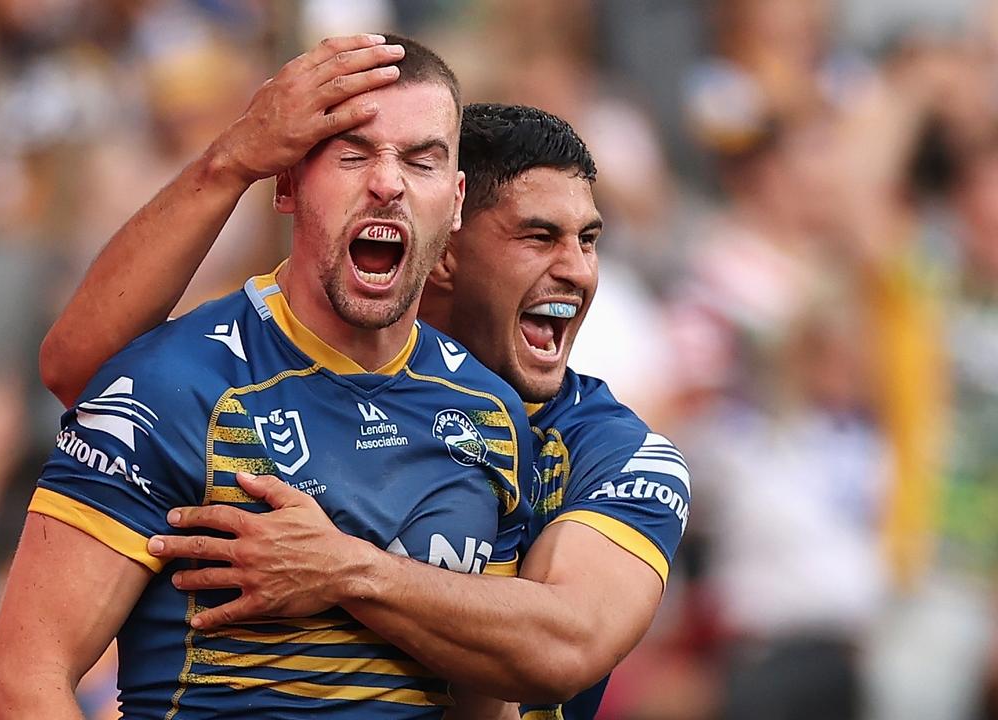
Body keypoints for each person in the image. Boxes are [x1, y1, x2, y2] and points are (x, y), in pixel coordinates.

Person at [37, 45, 691, 717]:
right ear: (449, 245)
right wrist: (232, 161)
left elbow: (563, 650)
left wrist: (344, 569)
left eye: (588, 241)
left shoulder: (613, 450)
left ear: (450, 203)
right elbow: (87, 375)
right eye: (537, 236)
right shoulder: (225, 377)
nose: (577, 272)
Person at [0, 34, 535, 720]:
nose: (387, 182)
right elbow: (21, 681)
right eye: (352, 154)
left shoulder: (491, 416)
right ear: (288, 185)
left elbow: (485, 699)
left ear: (454, 203)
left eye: (421, 161)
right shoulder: (176, 384)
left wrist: (346, 573)